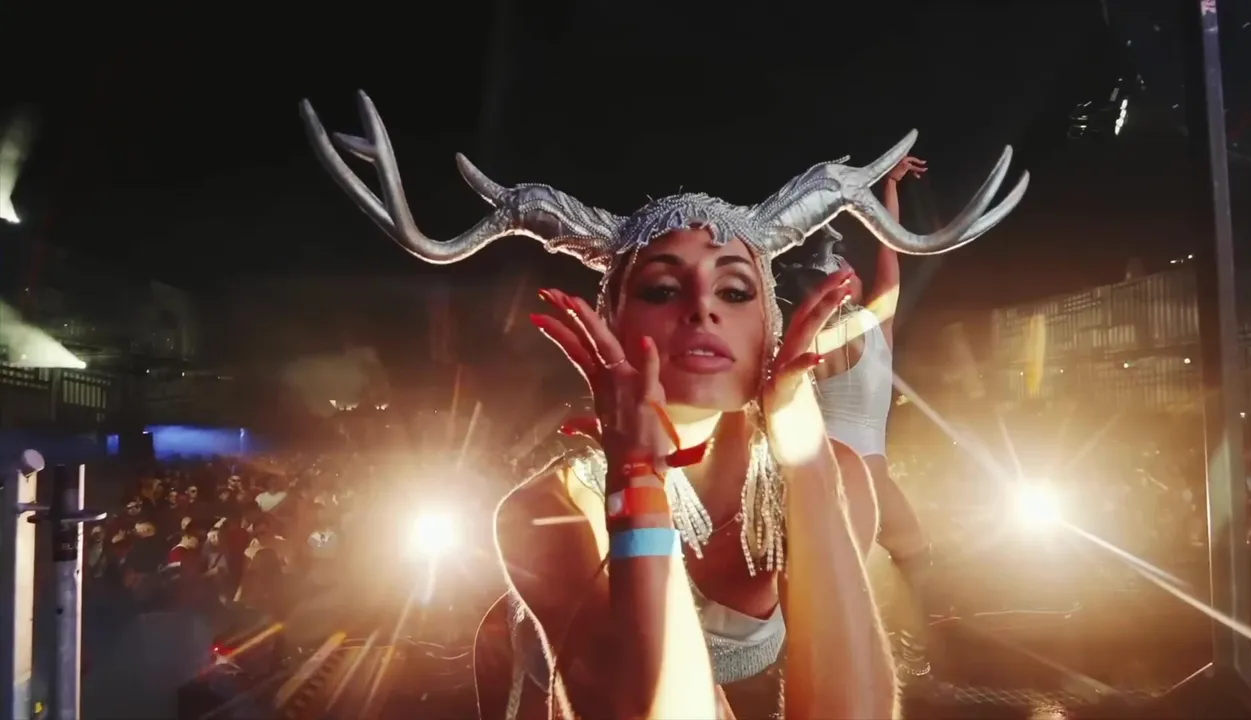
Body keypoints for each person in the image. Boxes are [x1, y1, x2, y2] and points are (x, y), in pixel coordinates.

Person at [301, 92, 1027, 719]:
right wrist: (637, 483)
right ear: (612, 323)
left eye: (735, 289)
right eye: (661, 288)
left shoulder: (835, 476)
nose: (702, 308)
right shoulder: (550, 511)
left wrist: (805, 453)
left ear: (768, 329)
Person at [779, 154, 937, 677]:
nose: (854, 271)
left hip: (846, 470)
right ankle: (844, 664)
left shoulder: (849, 329)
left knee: (902, 558)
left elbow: (891, 249)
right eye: (845, 269)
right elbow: (890, 253)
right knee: (896, 563)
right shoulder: (849, 329)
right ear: (836, 287)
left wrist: (890, 188)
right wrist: (888, 188)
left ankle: (886, 653)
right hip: (850, 472)